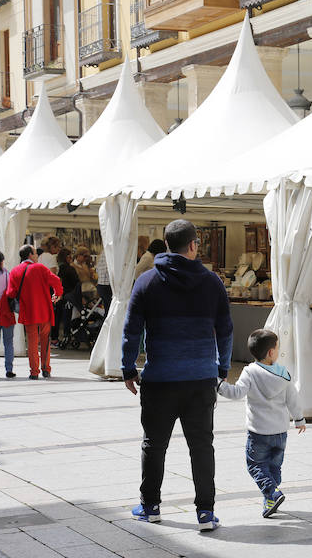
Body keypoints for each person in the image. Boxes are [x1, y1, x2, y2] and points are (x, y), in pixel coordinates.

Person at [122, 219, 232, 531]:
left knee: (154, 444)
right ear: (194, 245)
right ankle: (205, 512)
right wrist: (221, 367)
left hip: (160, 379)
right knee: (201, 446)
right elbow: (225, 330)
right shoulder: (212, 283)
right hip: (200, 379)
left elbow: (131, 330)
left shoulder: (146, 282)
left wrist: (128, 368)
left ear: (167, 245)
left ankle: (150, 505)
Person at [217, 329, 305, 518]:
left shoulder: (250, 372)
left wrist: (219, 386)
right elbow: (293, 399)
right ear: (271, 353)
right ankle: (270, 498)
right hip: (280, 432)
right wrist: (299, 419)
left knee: (255, 465)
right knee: (274, 467)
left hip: (258, 432)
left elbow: (236, 393)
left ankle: (272, 492)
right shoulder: (284, 374)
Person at [6, 245, 63, 379]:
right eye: (36, 253)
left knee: (32, 342)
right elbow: (56, 280)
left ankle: (34, 372)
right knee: (45, 341)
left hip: (28, 312)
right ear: (30, 255)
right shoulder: (40, 268)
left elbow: (10, 293)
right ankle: (46, 369)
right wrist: (57, 294)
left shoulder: (14, 271)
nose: (37, 256)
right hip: (44, 311)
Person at [54, 248, 80, 346]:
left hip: (60, 295)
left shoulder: (59, 268)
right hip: (69, 295)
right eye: (69, 256)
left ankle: (55, 337)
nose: (71, 258)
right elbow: (76, 282)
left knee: (58, 316)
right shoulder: (70, 269)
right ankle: (66, 334)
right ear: (66, 257)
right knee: (66, 317)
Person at [96, 249, 112, 315]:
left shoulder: (104, 251)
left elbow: (97, 269)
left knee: (107, 310)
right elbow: (109, 270)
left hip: (101, 284)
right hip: (106, 285)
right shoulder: (111, 251)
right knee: (110, 310)